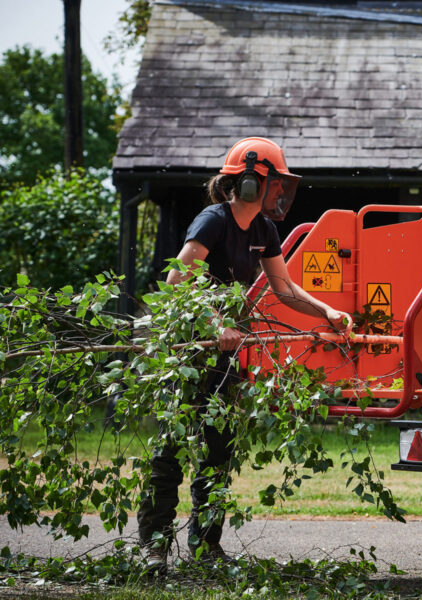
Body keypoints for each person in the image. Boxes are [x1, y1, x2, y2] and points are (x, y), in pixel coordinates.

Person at [138, 137, 351, 575]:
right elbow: (178, 279)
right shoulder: (213, 221)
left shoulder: (264, 231)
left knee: (217, 452)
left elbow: (284, 288)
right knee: (170, 451)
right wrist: (216, 325)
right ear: (252, 183)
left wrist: (326, 310)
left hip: (227, 355)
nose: (281, 192)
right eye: (275, 184)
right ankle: (154, 548)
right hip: (188, 350)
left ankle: (205, 548)